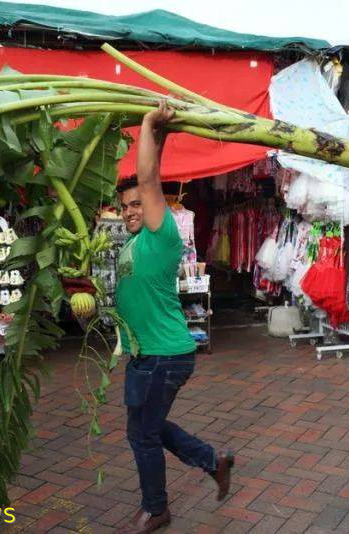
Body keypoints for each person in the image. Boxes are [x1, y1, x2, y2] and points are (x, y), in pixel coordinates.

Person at [114, 101, 234, 534]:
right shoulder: (130, 244)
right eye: (123, 207)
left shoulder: (160, 233)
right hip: (146, 355)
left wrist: (146, 124)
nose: (130, 211)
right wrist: (161, 134)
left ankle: (157, 508)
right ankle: (212, 460)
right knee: (147, 425)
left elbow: (150, 179)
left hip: (165, 354)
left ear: (152, 206)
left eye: (136, 204)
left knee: (141, 434)